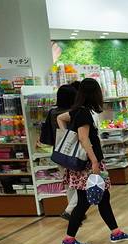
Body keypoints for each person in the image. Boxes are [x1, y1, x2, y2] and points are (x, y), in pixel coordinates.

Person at [57, 78, 128, 244]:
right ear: (94, 94)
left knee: (103, 197)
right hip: (88, 165)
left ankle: (115, 232)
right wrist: (94, 162)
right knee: (84, 202)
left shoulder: (77, 111)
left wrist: (67, 136)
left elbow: (60, 118)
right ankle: (69, 239)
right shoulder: (83, 113)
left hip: (85, 164)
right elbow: (84, 138)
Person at [38, 84, 79, 221]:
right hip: (75, 152)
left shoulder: (52, 113)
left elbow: (47, 134)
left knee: (68, 183)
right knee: (83, 182)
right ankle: (70, 210)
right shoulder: (73, 112)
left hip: (58, 152)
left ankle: (74, 212)